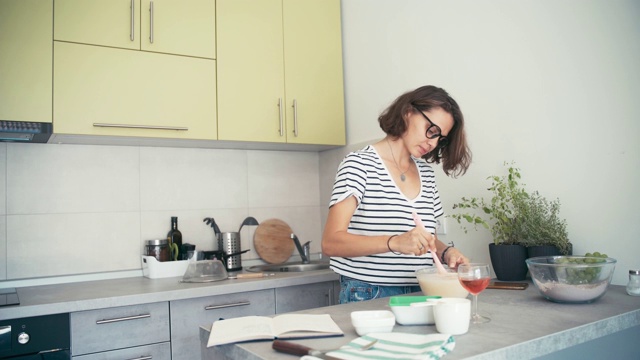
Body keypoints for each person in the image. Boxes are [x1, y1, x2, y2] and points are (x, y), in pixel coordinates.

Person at [322, 85, 472, 303]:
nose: (433, 142)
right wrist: (394, 242)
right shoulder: (359, 165)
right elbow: (330, 243)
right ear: (408, 112)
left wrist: (446, 252)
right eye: (431, 130)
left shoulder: (427, 175)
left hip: (420, 291)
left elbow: (428, 241)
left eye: (441, 138)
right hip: (369, 292)